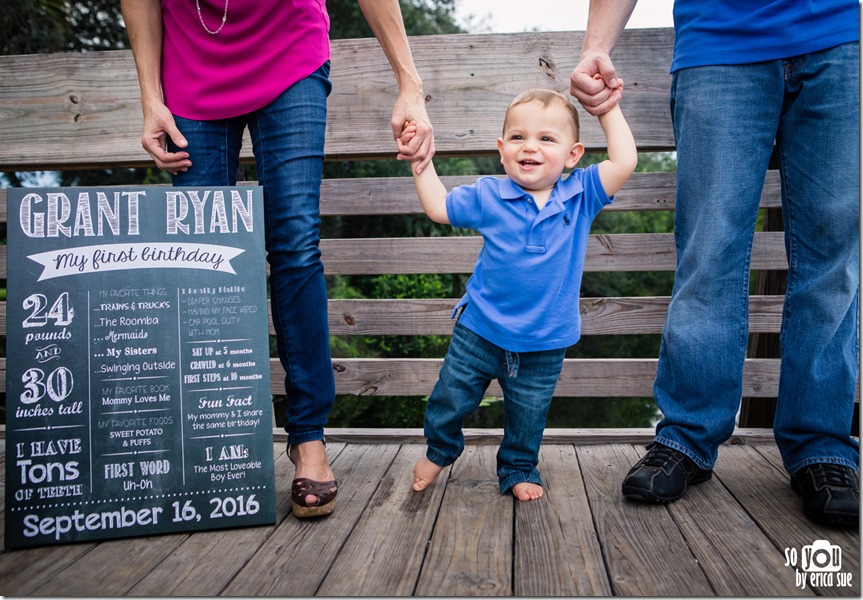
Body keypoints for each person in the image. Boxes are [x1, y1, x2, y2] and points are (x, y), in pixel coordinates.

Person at [121, 0, 435, 518]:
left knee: (293, 244)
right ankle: (212, 446)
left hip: (289, 53)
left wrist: (410, 84)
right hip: (189, 65)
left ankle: (308, 437)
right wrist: (150, 96)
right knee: (199, 256)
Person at [570, 0, 859, 527]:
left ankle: (823, 447)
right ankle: (686, 436)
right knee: (709, 252)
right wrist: (595, 47)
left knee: (832, 257)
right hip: (719, 44)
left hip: (844, 37)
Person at [402, 88, 637, 501]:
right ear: (501, 148)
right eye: (517, 137)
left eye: (547, 138)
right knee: (449, 398)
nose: (530, 146)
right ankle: (440, 450)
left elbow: (624, 161)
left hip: (544, 341)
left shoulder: (581, 195)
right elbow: (439, 206)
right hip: (480, 329)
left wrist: (607, 106)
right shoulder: (489, 195)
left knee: (528, 415)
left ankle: (518, 467)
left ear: (573, 154)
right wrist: (422, 163)